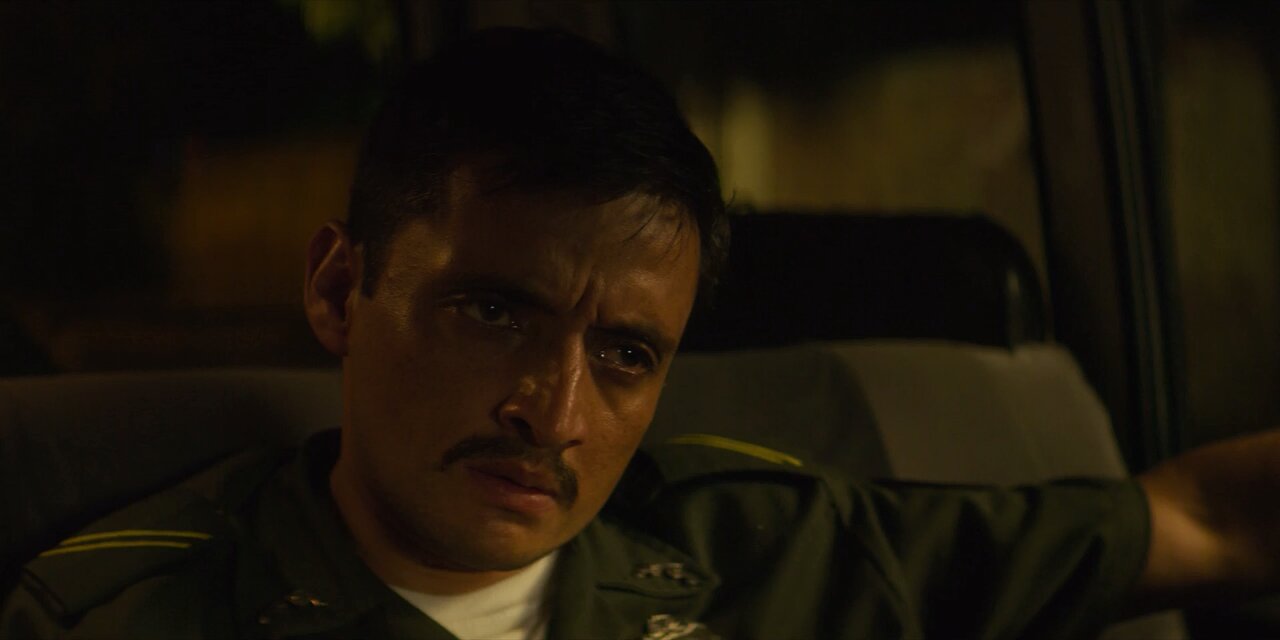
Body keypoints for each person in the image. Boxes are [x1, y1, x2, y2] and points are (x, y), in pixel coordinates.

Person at [4, 26, 1280, 640]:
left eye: (623, 355)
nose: (554, 414)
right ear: (342, 292)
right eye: (493, 310)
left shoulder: (758, 548)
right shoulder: (131, 615)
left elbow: (1203, 522)